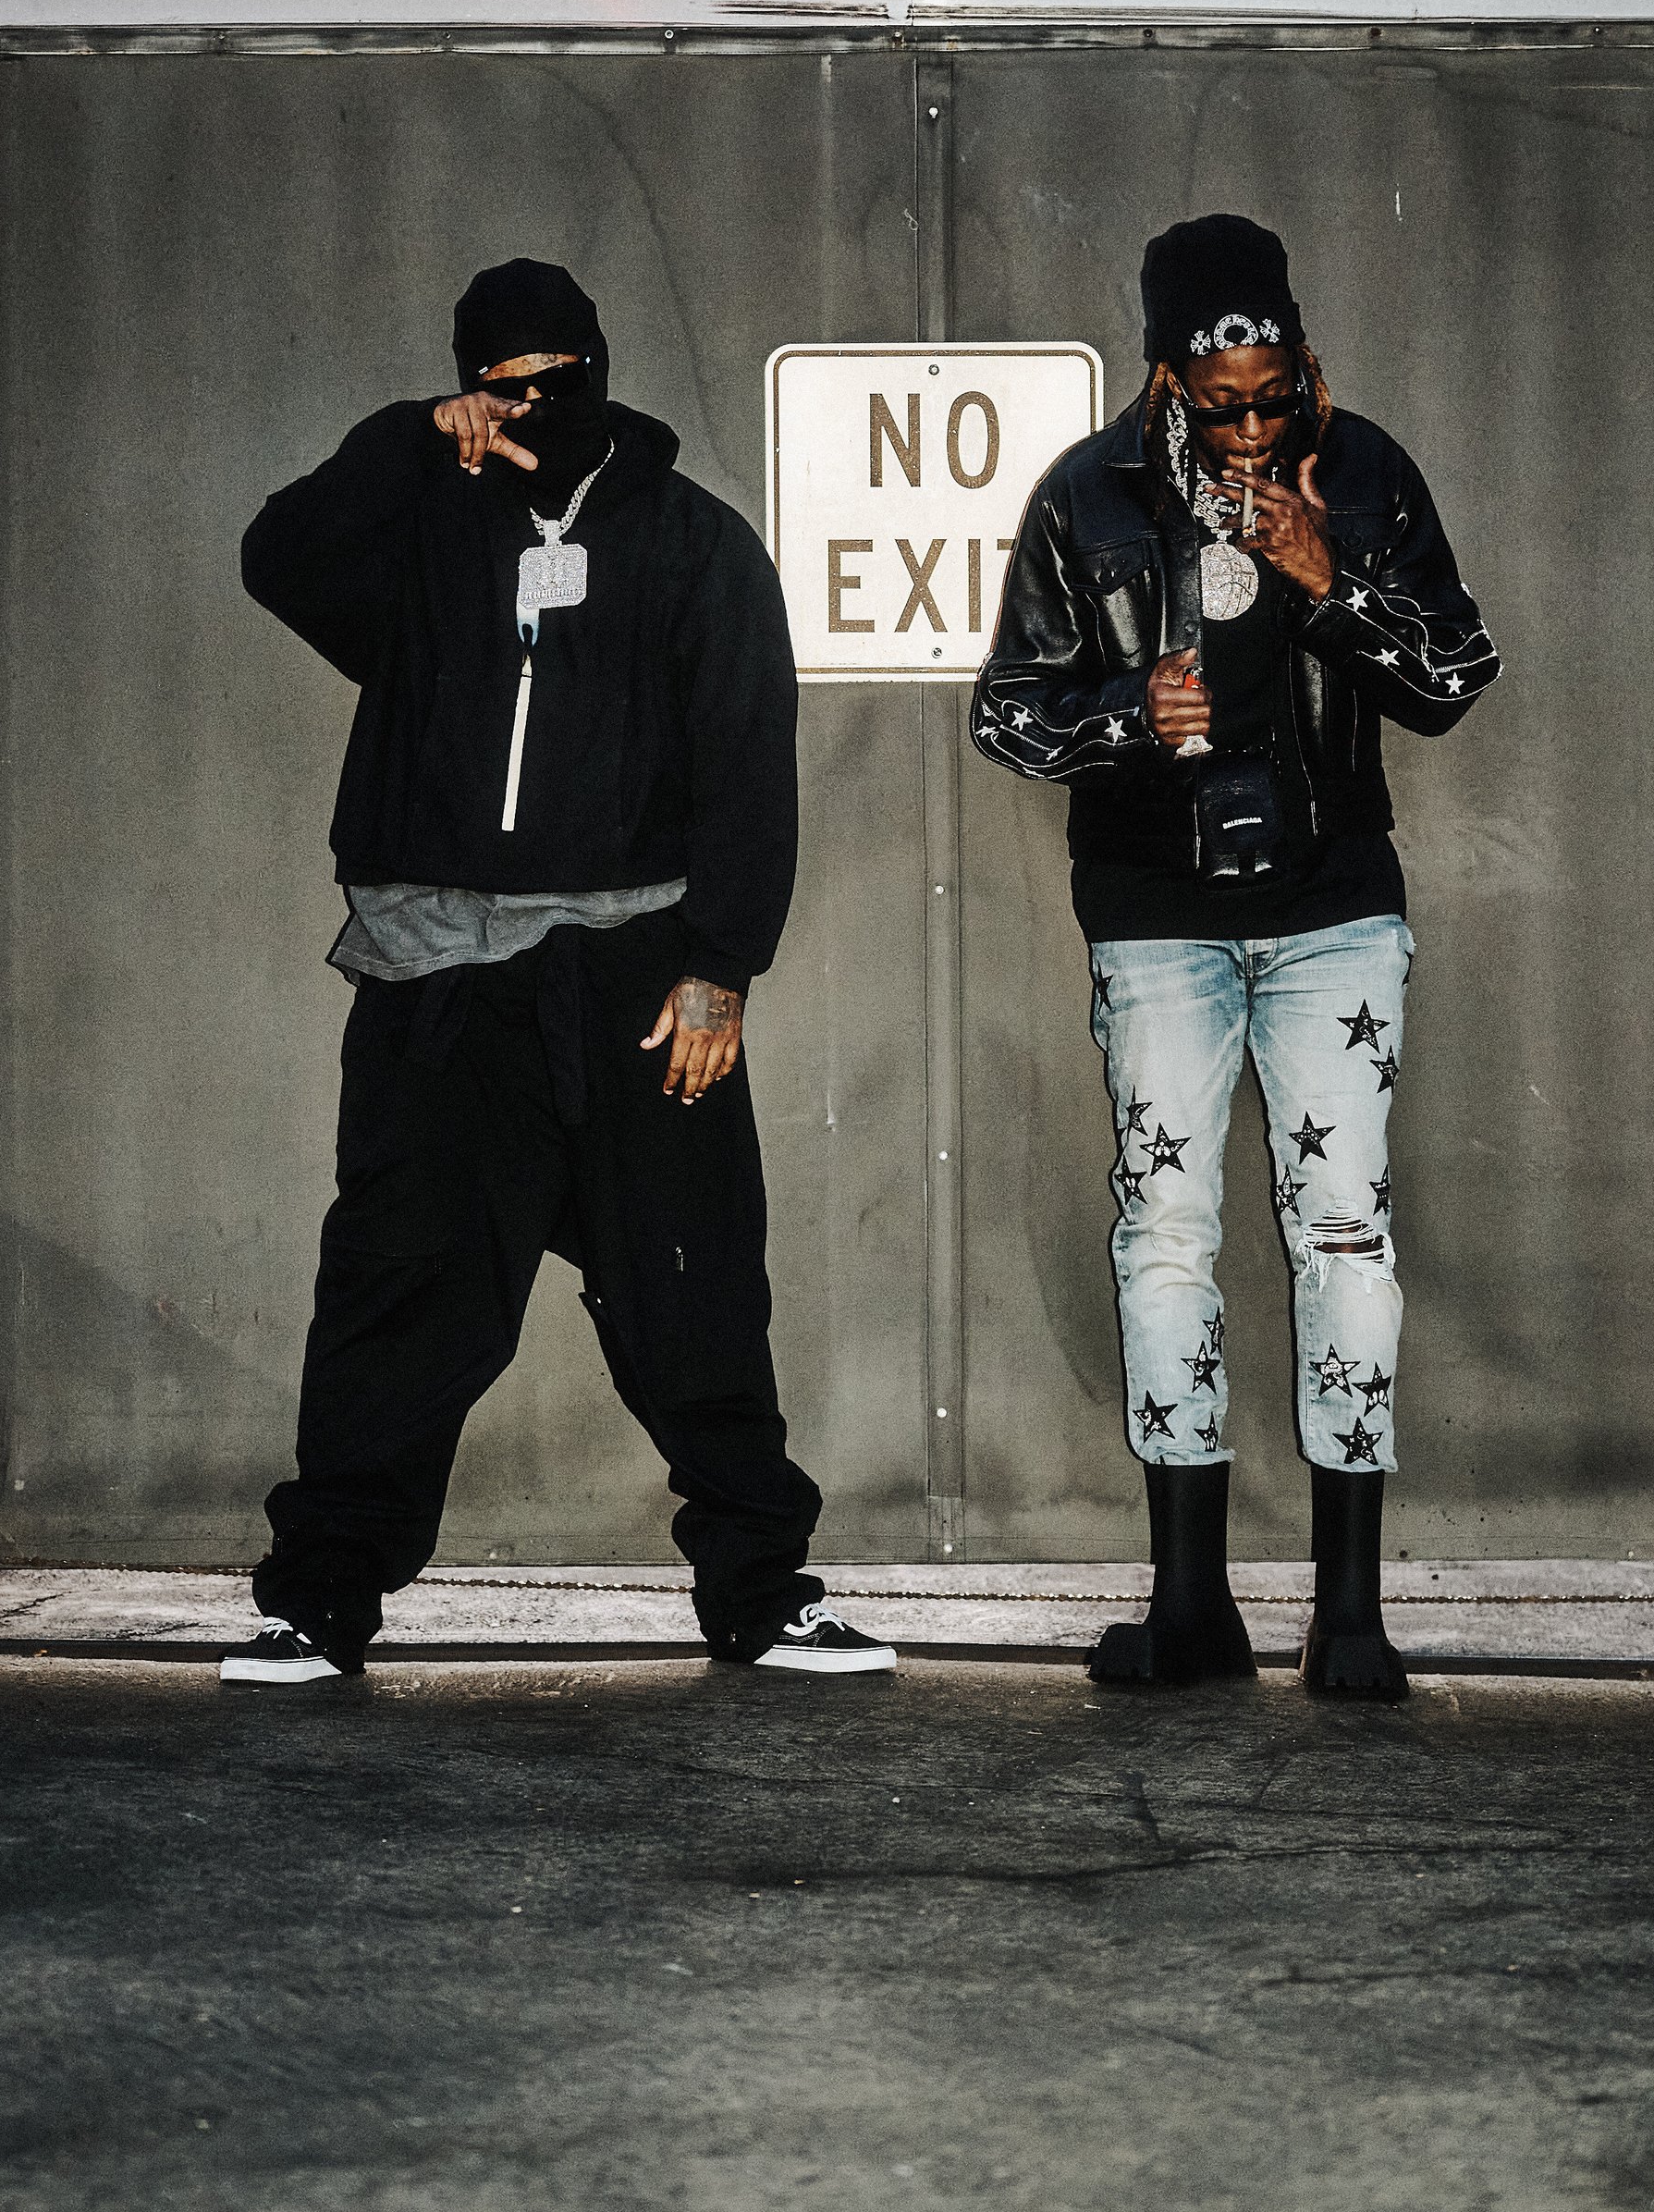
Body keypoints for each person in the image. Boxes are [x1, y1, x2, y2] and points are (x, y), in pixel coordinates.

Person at [223, 257, 894, 1684]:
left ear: (600, 364)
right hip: (441, 975)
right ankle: (320, 1599)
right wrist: (411, 441)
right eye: (501, 384)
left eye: (556, 379)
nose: (534, 404)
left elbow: (745, 762)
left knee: (693, 1290)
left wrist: (721, 966)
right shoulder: (420, 529)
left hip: (640, 975)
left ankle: (763, 1591)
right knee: (400, 1297)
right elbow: (276, 560)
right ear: (471, 383)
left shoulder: (691, 539)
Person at [973, 214, 1499, 1698]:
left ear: (1304, 356)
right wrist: (1135, 717)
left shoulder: (1369, 473)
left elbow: (1458, 676)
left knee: (1345, 1231)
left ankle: (1349, 1613)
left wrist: (1327, 571)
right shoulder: (1089, 496)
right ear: (1164, 381)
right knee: (1168, 1236)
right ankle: (1191, 1605)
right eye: (1226, 407)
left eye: (1277, 393)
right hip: (1157, 919)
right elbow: (1007, 709)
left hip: (1335, 909)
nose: (1257, 426)